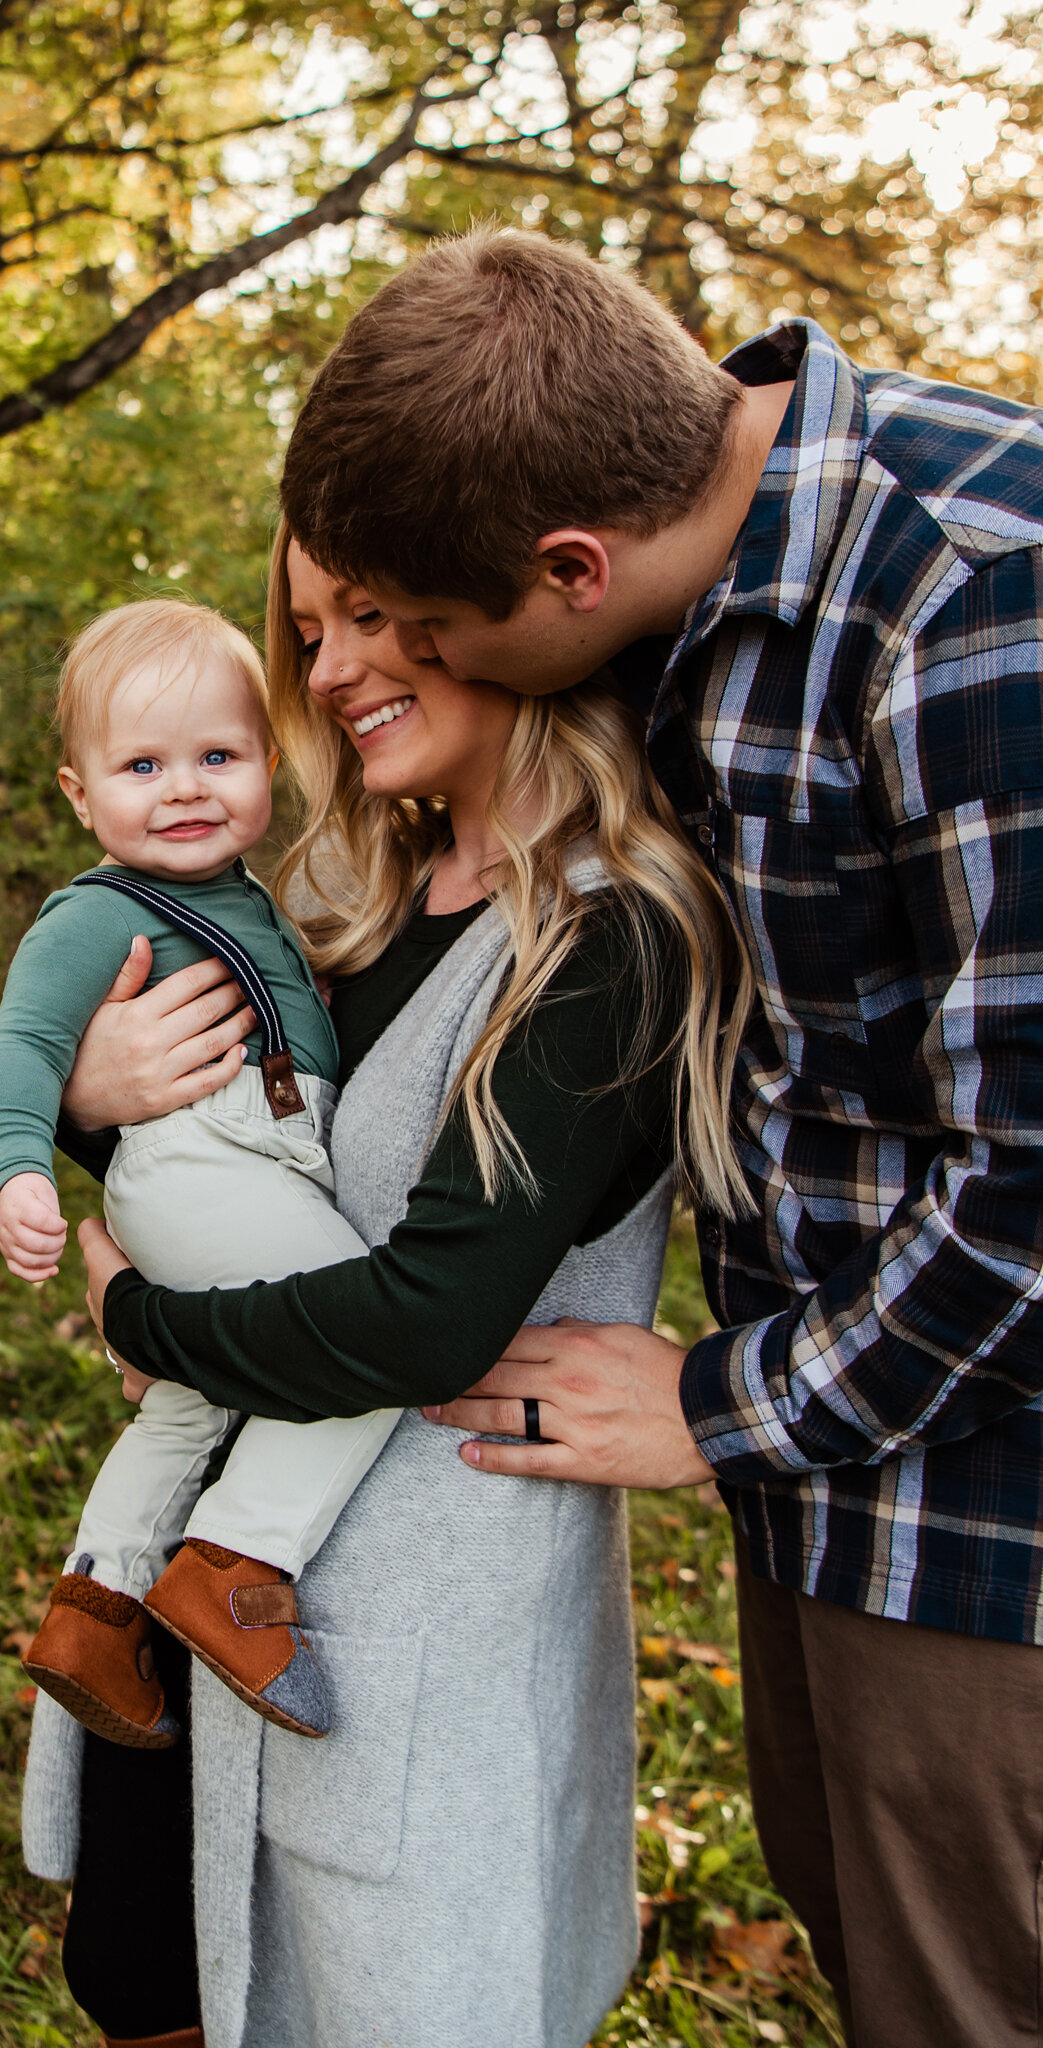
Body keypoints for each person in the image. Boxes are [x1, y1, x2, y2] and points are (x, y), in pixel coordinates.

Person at [273, 226, 1043, 2048]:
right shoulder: (672, 554)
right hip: (829, 1480)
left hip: (987, 1514)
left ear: (569, 564)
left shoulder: (976, 600)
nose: (396, 659)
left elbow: (1029, 1187)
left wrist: (715, 1406)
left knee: (968, 1991)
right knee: (870, 1937)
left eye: (437, 630)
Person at [23, 523, 751, 2048]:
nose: (328, 666)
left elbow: (424, 1314)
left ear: (513, 608)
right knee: (151, 1984)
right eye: (308, 626)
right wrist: (89, 1100)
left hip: (401, 1645)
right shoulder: (352, 899)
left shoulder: (608, 931)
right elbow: (231, 1175)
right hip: (196, 1587)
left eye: (369, 614)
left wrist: (129, 1320)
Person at [0, 596, 394, 1748]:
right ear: (79, 794)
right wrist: (18, 1169)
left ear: (269, 759)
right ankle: (237, 1567)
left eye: (218, 754)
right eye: (142, 763)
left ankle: (95, 1608)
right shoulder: (94, 915)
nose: (185, 787)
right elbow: (23, 1051)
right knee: (366, 1341)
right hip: (201, 1170)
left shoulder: (255, 898)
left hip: (235, 1178)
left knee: (186, 1396)